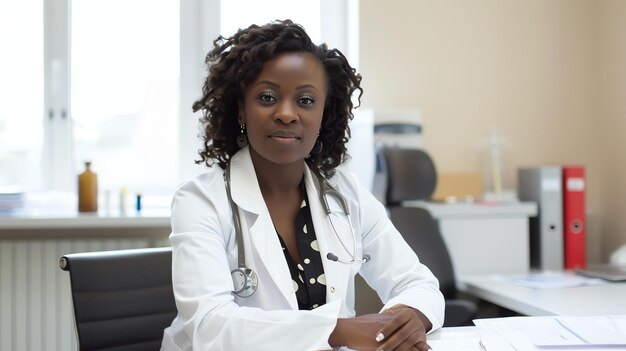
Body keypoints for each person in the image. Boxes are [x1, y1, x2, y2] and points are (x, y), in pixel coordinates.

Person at [161, 20, 444, 351]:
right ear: (241, 109)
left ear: (324, 114)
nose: (286, 114)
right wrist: (335, 331)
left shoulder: (346, 194)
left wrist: (407, 318)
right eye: (267, 97)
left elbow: (418, 283)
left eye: (306, 101)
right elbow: (209, 327)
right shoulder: (200, 200)